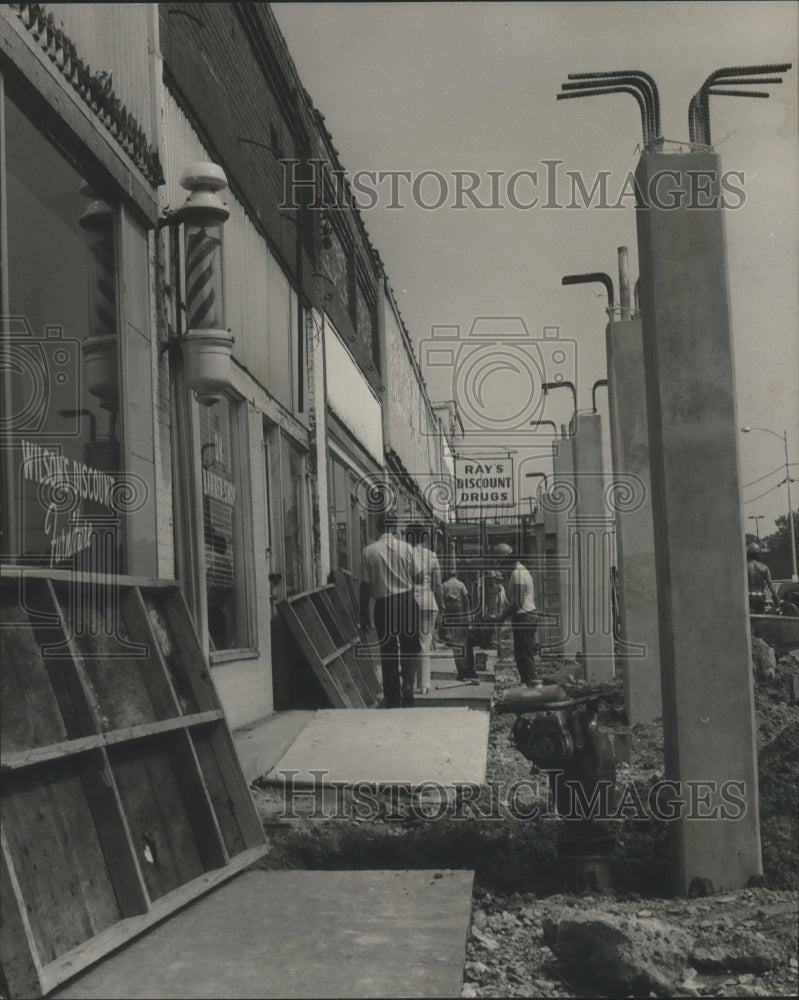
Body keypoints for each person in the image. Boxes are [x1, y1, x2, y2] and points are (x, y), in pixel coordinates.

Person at [359, 512, 422, 708]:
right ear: (394, 527)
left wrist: (364, 613)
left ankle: (393, 697)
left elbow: (365, 587)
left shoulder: (369, 551)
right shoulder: (407, 549)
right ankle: (408, 687)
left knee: (388, 650)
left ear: (377, 527)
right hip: (406, 602)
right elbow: (419, 578)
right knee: (410, 646)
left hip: (383, 605)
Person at [406, 522, 443, 695]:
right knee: (425, 643)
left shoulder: (404, 554)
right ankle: (424, 685)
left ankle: (409, 683)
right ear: (425, 538)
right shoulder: (432, 556)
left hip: (410, 603)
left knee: (409, 645)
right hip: (429, 603)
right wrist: (440, 604)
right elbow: (437, 584)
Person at [494, 542, 539, 685]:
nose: (501, 566)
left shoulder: (518, 573)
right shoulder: (520, 570)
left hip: (524, 616)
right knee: (522, 654)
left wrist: (502, 617)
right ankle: (529, 684)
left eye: (501, 562)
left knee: (524, 655)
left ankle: (531, 686)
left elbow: (518, 602)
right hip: (527, 615)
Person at [746, 542, 779, 613]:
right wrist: (776, 598)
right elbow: (770, 584)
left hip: (748, 598)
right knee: (760, 621)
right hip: (760, 598)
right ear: (758, 554)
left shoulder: (743, 567)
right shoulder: (764, 567)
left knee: (749, 621)